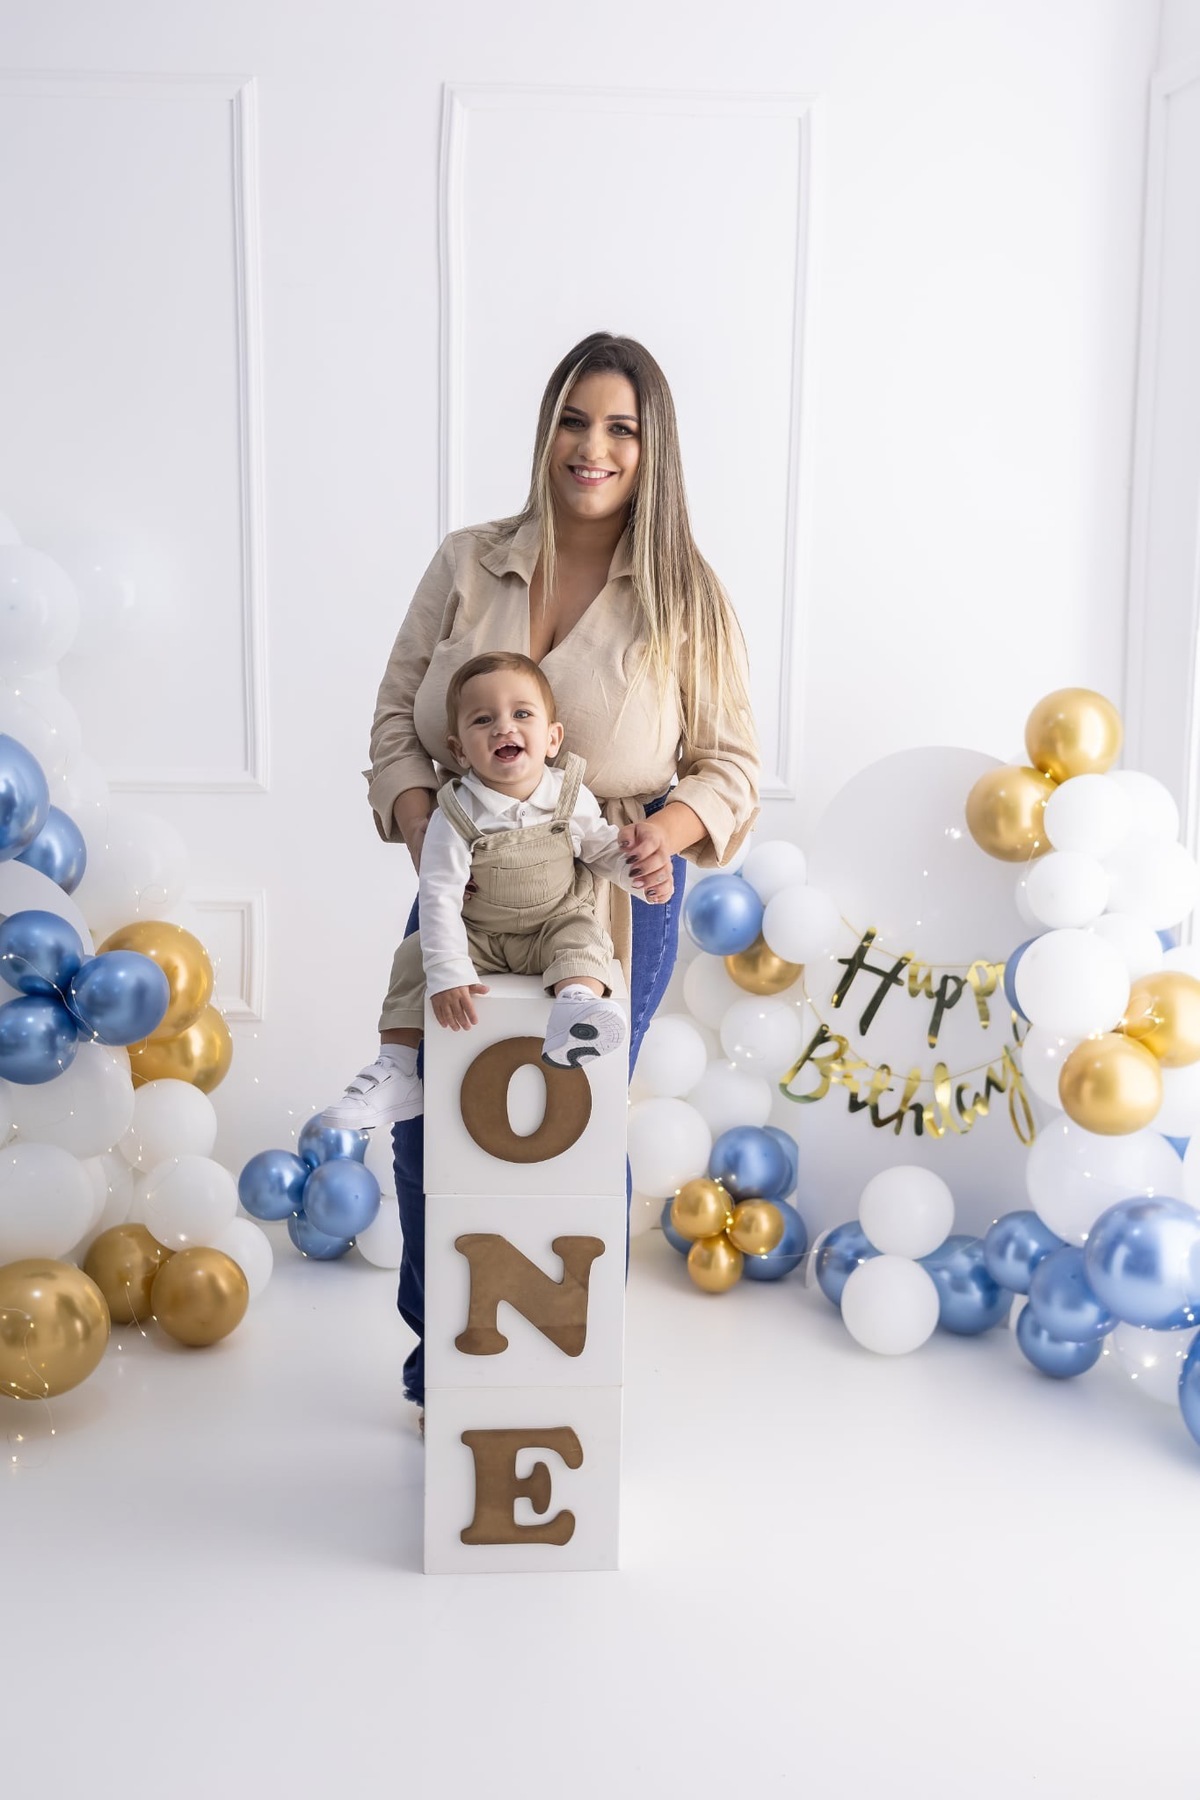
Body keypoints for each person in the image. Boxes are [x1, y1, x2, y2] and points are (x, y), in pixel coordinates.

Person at [362, 330, 760, 1415]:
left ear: (651, 447)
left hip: (613, 888)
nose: (593, 447)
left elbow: (731, 763)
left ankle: (573, 1364)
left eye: (621, 428)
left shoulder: (688, 593)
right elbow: (399, 715)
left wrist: (666, 833)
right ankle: (447, 1355)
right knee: (425, 1116)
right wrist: (418, 821)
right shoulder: (466, 559)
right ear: (546, 429)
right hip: (466, 872)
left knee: (573, 1121)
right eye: (574, 421)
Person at [323, 649, 666, 1128]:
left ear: (552, 738)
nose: (504, 727)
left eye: (521, 714)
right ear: (460, 750)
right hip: (480, 935)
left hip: (551, 926)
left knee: (585, 937)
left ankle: (577, 1012)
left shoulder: (570, 795)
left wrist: (641, 874)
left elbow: (601, 849)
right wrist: (448, 973)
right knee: (415, 954)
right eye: (483, 719)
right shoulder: (454, 816)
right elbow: (438, 896)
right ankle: (397, 1068)